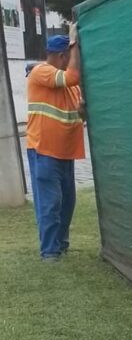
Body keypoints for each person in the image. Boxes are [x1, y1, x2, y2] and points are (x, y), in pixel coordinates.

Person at [26, 25, 85, 262]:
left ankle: (61, 245)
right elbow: (72, 76)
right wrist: (74, 42)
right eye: (72, 57)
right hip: (44, 150)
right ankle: (49, 252)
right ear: (63, 56)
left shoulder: (70, 88)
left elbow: (79, 112)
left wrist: (83, 111)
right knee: (50, 203)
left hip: (65, 153)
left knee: (67, 203)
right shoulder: (41, 71)